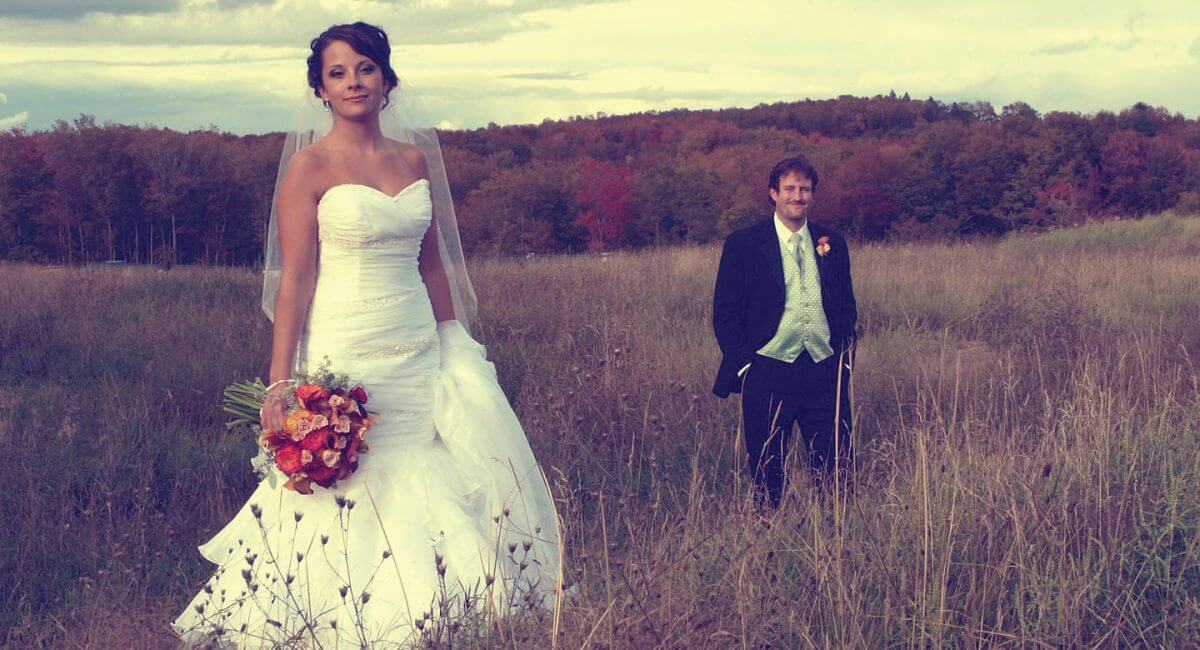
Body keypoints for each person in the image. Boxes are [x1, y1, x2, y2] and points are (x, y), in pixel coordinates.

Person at [173, 22, 560, 647]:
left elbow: (432, 263)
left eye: (365, 68)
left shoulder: (411, 160)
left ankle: (440, 604)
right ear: (320, 89)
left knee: (426, 459)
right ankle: (338, 616)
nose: (353, 81)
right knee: (349, 470)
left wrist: (454, 340)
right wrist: (282, 381)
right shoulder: (309, 166)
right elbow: (294, 279)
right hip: (343, 347)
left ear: (386, 78)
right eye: (337, 72)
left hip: (417, 345)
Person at [711, 155, 858, 508]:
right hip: (767, 370)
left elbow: (846, 308)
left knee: (837, 470)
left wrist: (845, 361)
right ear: (773, 194)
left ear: (813, 195)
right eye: (789, 188)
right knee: (767, 469)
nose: (798, 196)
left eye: (805, 189)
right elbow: (725, 313)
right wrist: (746, 367)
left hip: (824, 371)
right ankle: (768, 542)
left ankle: (836, 542)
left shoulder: (831, 243)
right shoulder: (743, 244)